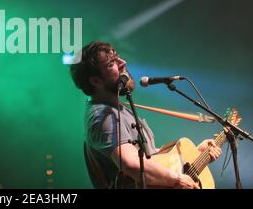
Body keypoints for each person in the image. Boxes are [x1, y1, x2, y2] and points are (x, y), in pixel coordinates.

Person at [70, 41, 222, 189]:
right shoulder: (103, 116)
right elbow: (132, 164)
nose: (123, 62)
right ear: (96, 81)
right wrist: (177, 179)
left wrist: (195, 154)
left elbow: (152, 160)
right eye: (111, 64)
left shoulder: (118, 109)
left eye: (117, 57)